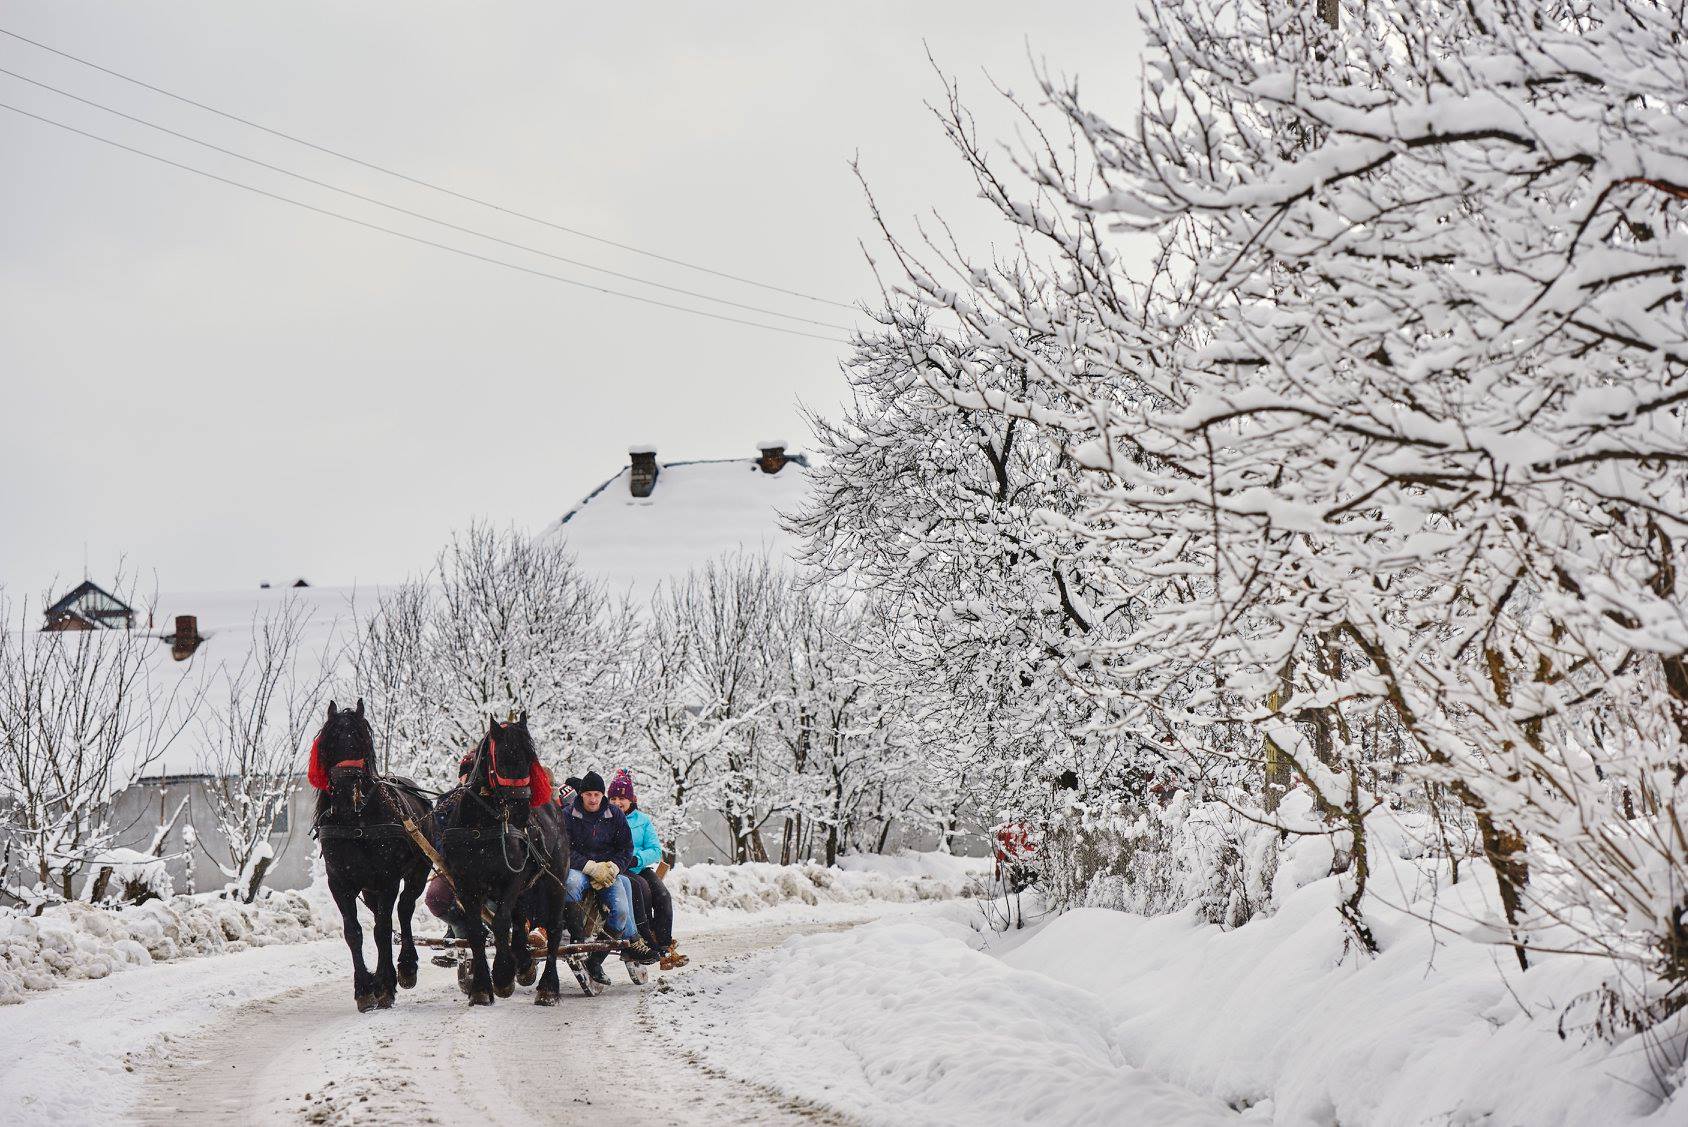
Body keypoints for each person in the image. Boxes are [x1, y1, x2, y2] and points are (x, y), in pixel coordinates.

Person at [563, 770, 659, 981]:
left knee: (621, 911)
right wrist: (589, 867)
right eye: (588, 794)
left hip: (608, 870)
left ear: (602, 794)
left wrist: (613, 867)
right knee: (570, 885)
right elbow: (565, 848)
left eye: (597, 794)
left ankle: (596, 960)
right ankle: (577, 940)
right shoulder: (569, 815)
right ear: (581, 795)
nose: (593, 799)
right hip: (580, 868)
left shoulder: (614, 815)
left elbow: (626, 848)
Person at [607, 770, 685, 970]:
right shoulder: (606, 818)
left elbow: (655, 850)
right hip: (619, 868)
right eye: (613, 798)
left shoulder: (642, 820)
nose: (617, 802)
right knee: (642, 890)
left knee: (662, 895)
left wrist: (638, 858)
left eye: (622, 798)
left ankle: (664, 944)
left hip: (638, 866)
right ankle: (646, 938)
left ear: (631, 799)